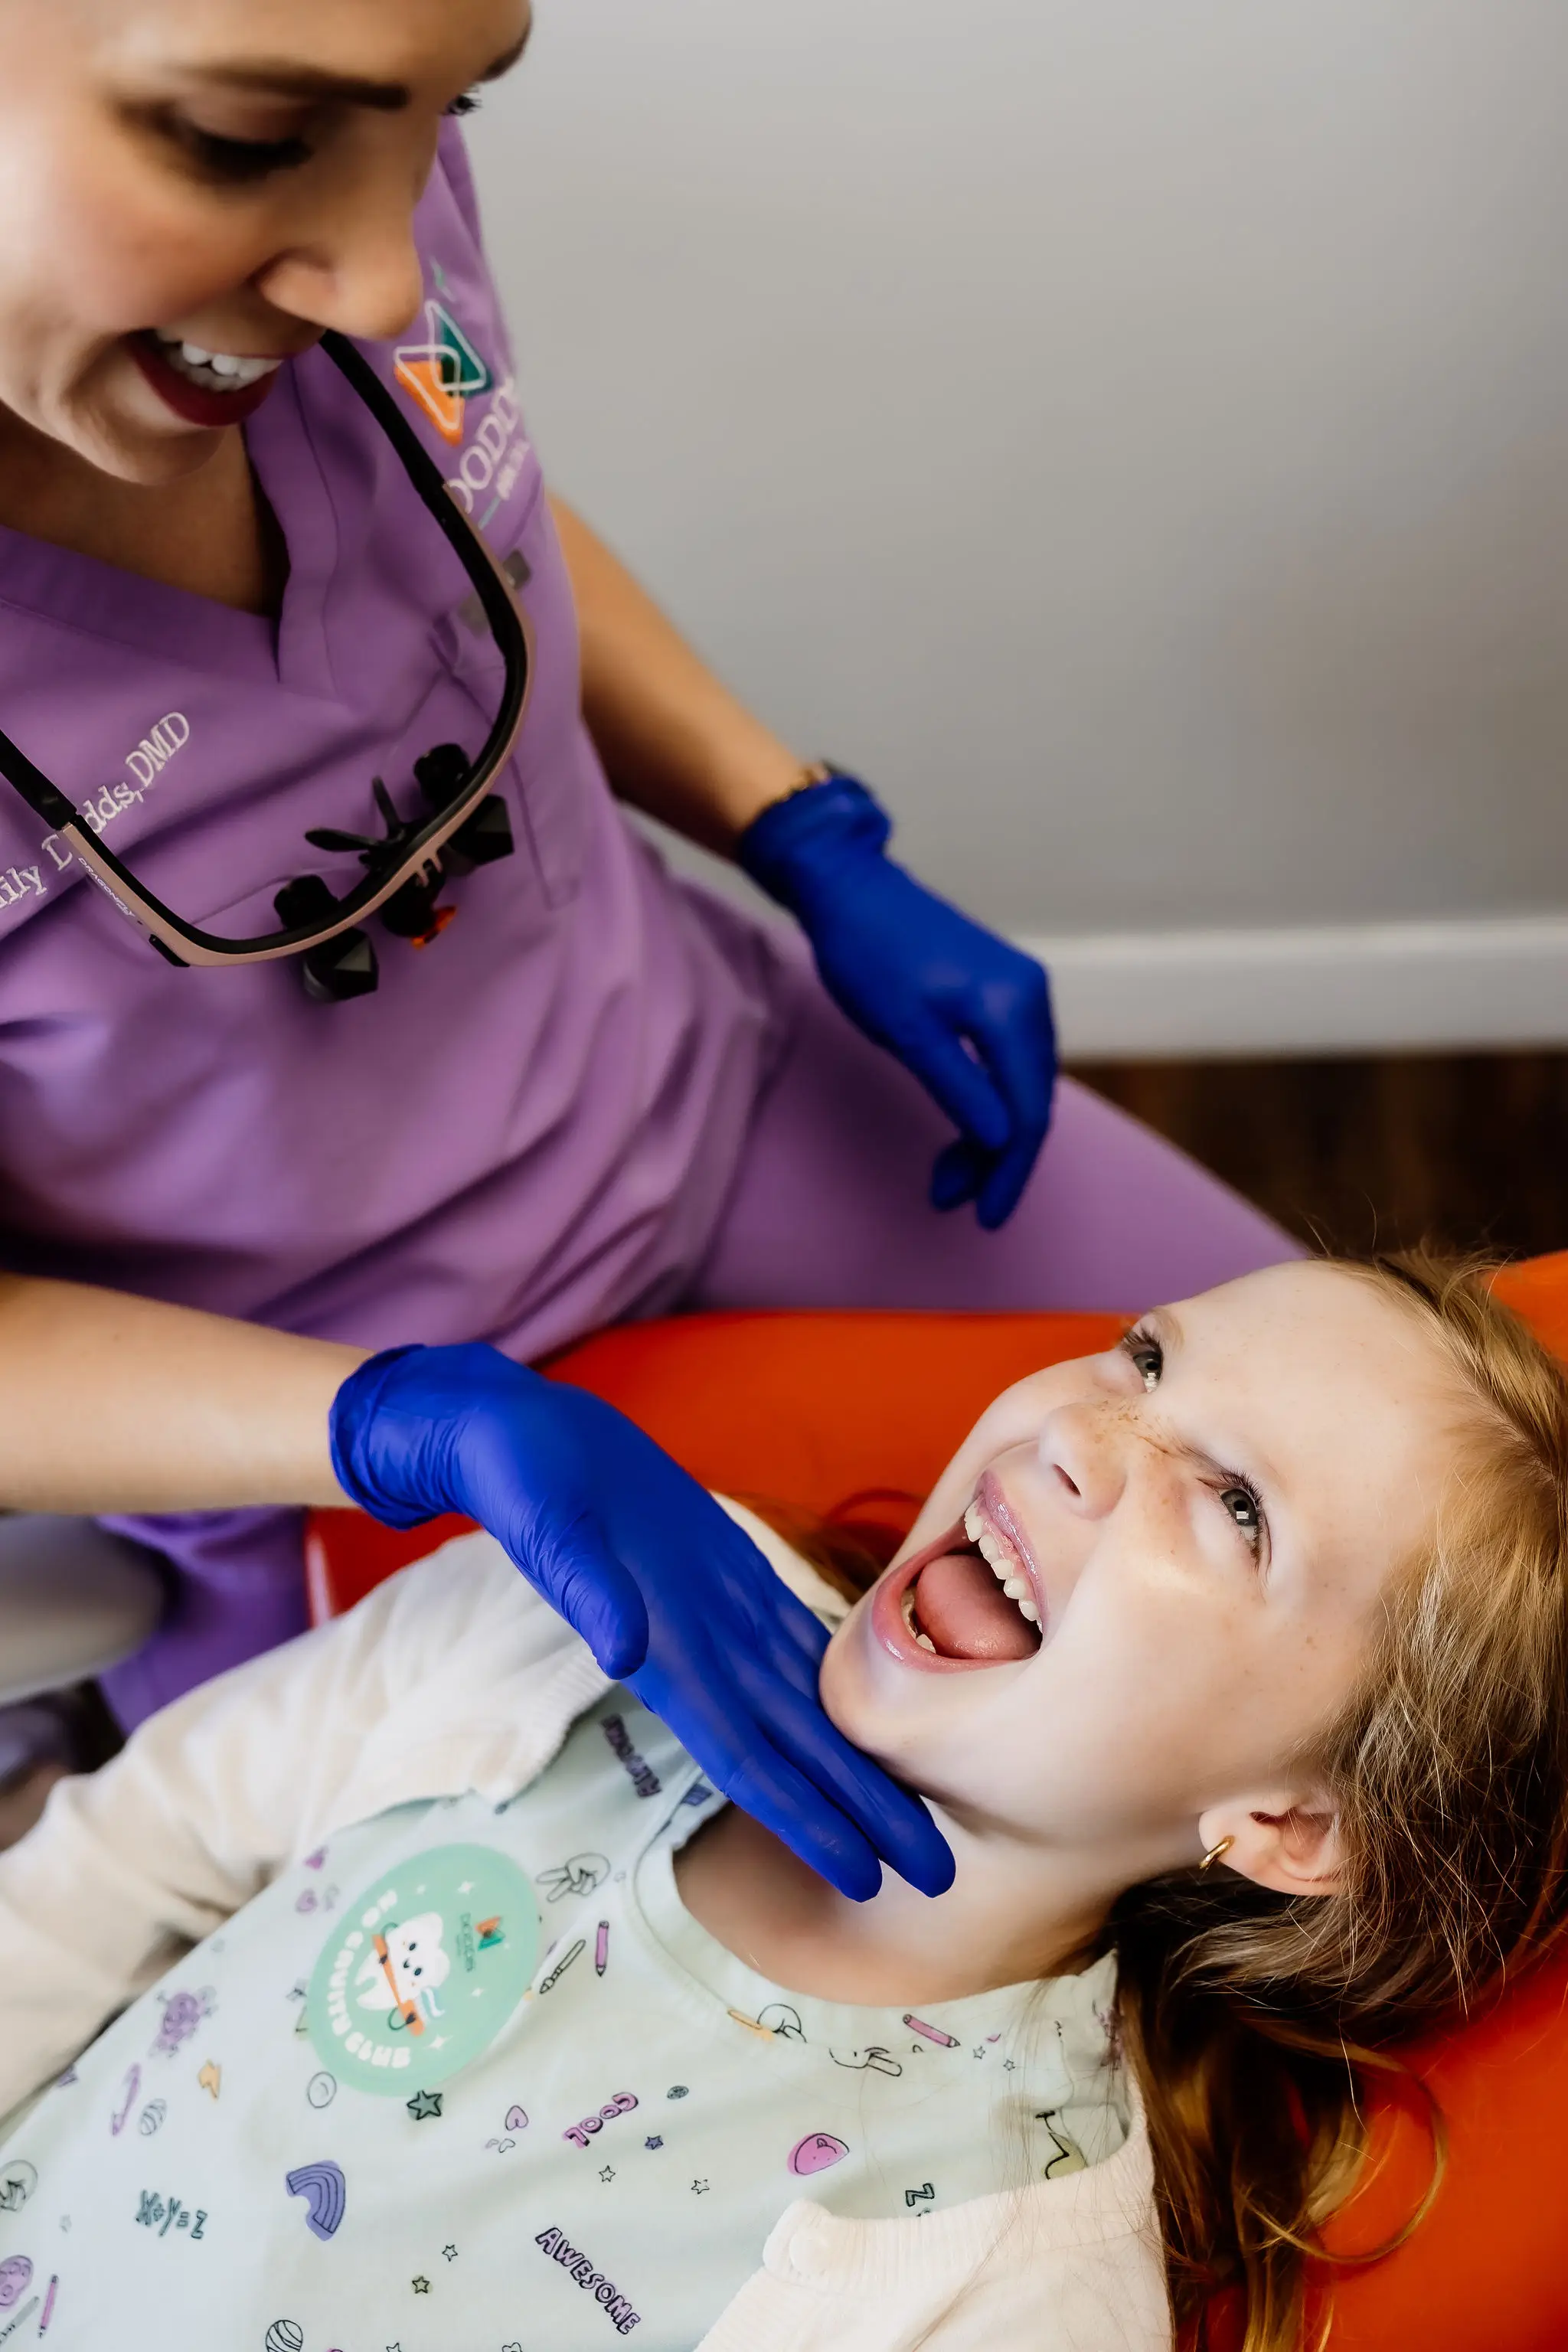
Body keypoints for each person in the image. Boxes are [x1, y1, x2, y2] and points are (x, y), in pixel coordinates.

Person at [0, 0, 1292, 1859]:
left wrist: (802, 826)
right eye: (239, 133)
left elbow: (460, 498)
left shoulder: (338, 216)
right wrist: (403, 1426)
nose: (383, 270)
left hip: (727, 1090)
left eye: (451, 111)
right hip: (319, 1431)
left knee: (1421, 1547)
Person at [0, 1251, 1561, 2351]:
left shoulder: (991, 2287)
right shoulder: (546, 1623)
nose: (1082, 1434)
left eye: (1235, 1510)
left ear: (1286, 1825)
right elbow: (113, 1874)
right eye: (1147, 1357)